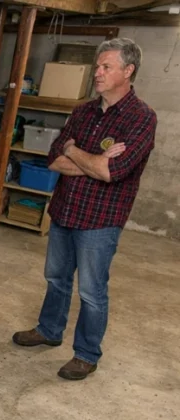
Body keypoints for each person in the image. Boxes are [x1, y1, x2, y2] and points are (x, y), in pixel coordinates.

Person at [12, 38, 156, 380]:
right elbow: (53, 158)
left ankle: (86, 354)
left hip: (100, 220)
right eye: (97, 66)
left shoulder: (141, 118)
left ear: (128, 71)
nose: (98, 72)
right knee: (56, 278)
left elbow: (112, 172)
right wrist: (89, 158)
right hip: (65, 210)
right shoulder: (83, 111)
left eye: (107, 67)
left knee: (91, 291)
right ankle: (49, 330)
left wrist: (75, 151)